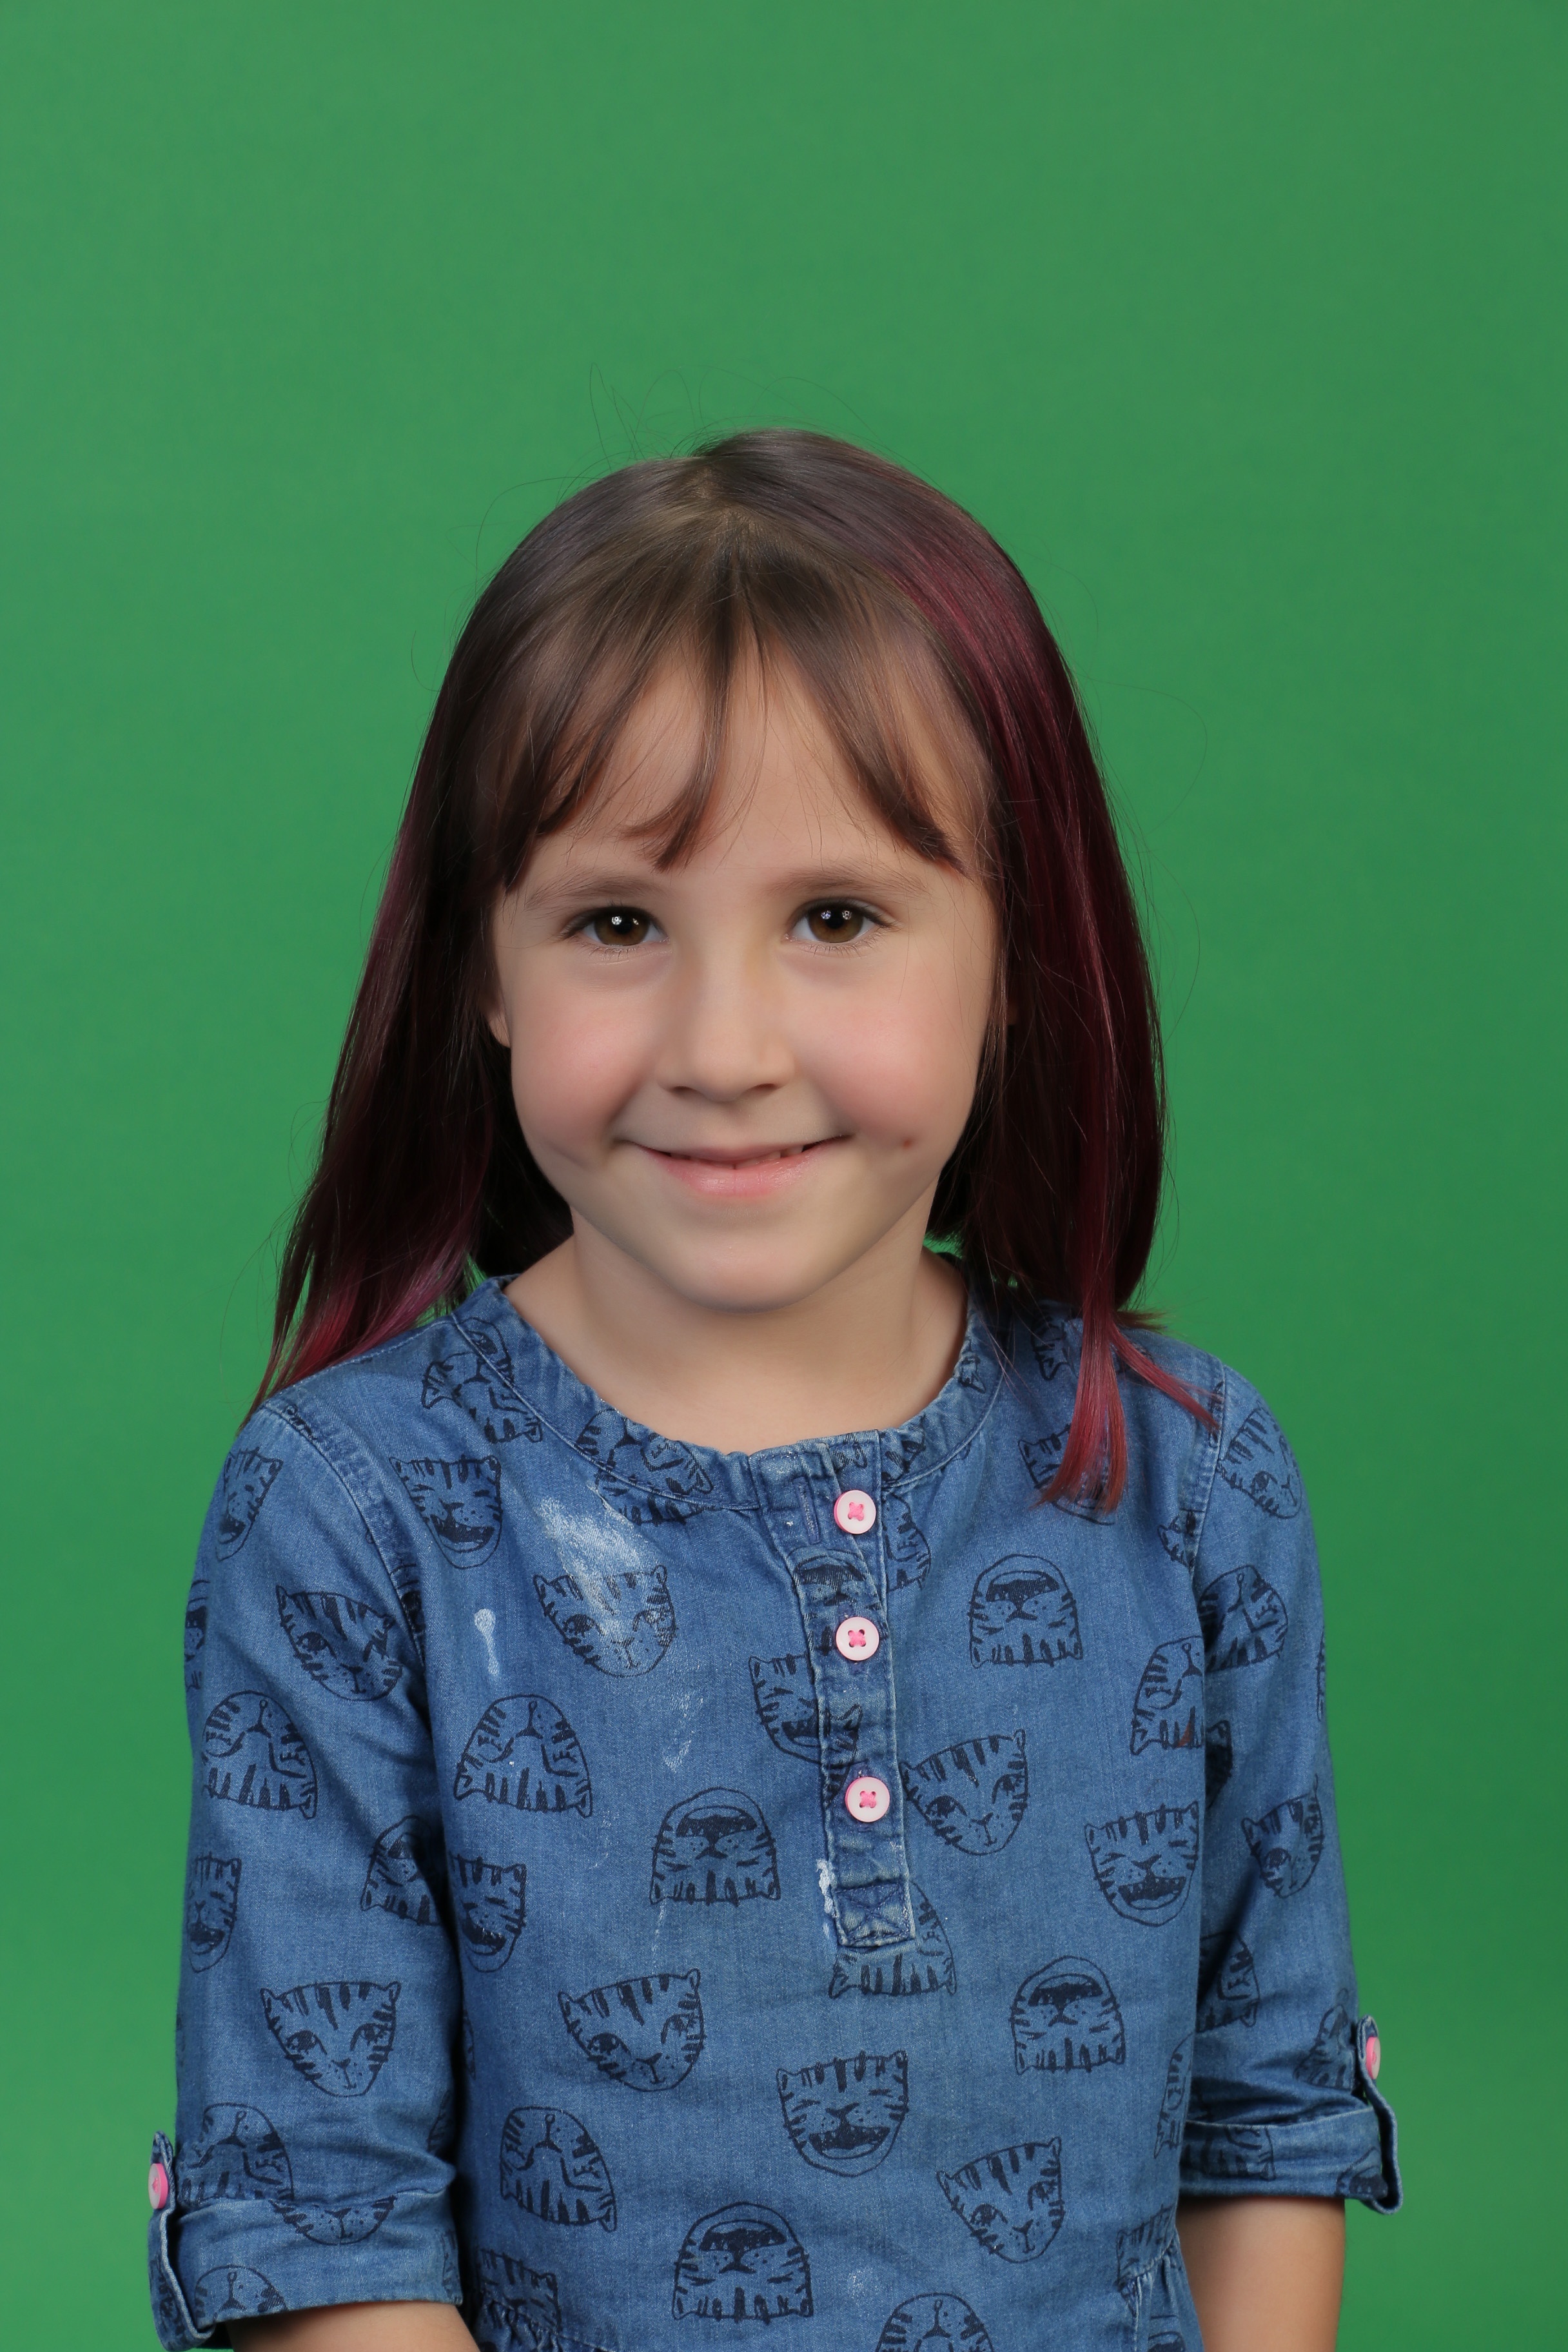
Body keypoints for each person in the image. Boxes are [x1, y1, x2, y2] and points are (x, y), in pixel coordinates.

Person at [150, 431, 1398, 2352]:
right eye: (617, 924)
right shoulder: (354, 1509)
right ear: (488, 969)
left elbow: (1266, 2118)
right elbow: (320, 2227)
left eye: (836, 919)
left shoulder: (1191, 1477)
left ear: (1014, 957)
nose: (725, 1048)